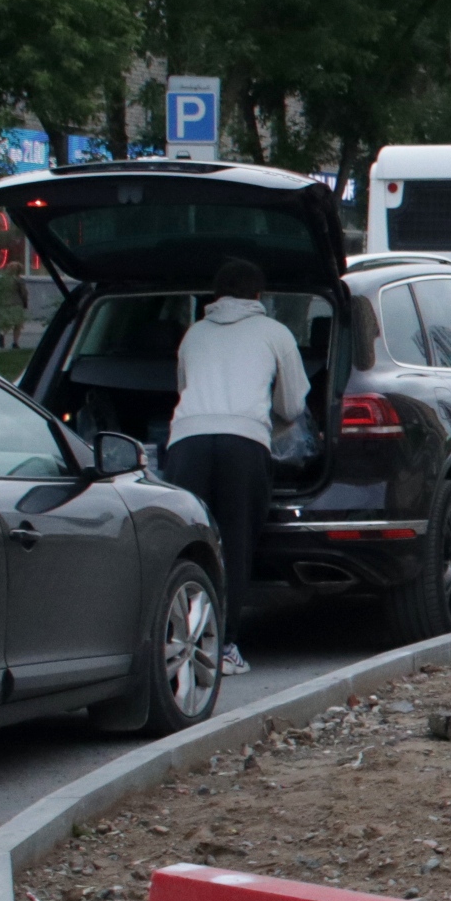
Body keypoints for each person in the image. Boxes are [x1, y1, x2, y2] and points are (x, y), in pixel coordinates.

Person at [171, 258, 308, 675]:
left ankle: (178, 637)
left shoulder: (193, 335)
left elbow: (182, 389)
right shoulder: (275, 334)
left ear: (214, 297)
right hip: (243, 445)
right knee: (234, 544)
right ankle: (225, 646)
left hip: (187, 442)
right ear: (259, 296)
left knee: (189, 544)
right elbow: (292, 405)